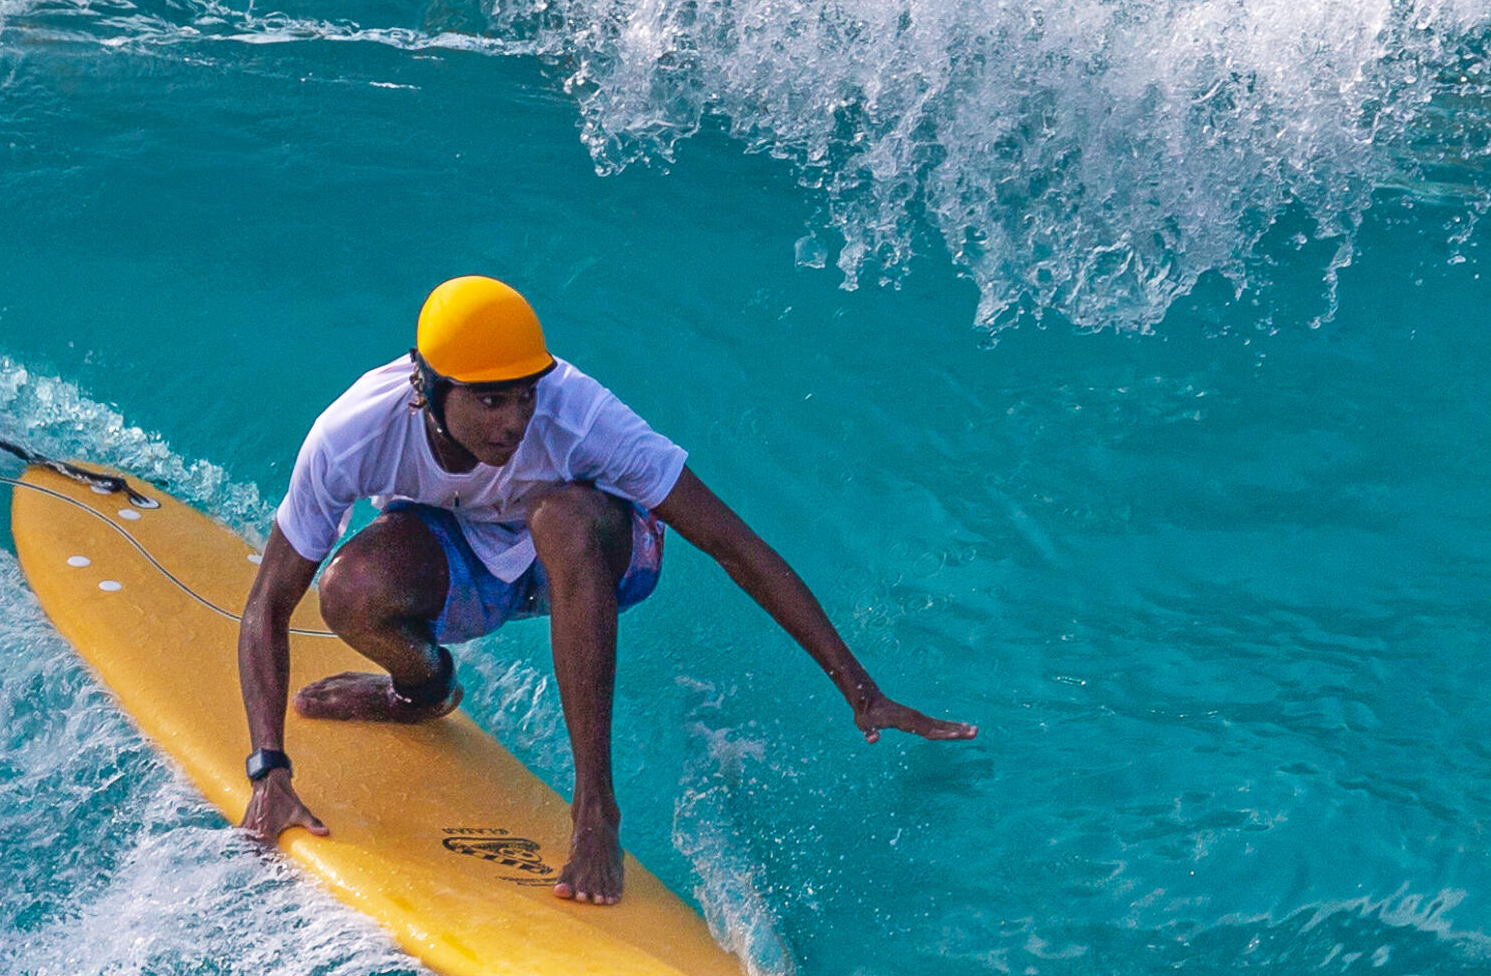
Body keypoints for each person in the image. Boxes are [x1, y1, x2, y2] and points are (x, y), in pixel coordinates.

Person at [237, 275, 976, 905]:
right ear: (426, 387)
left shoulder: (579, 413)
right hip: (467, 555)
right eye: (490, 402)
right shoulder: (352, 434)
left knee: (559, 514)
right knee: (349, 589)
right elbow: (269, 601)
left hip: (599, 557)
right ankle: (422, 691)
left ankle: (596, 810)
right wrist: (269, 767)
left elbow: (733, 546)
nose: (515, 421)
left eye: (524, 396)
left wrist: (859, 686)